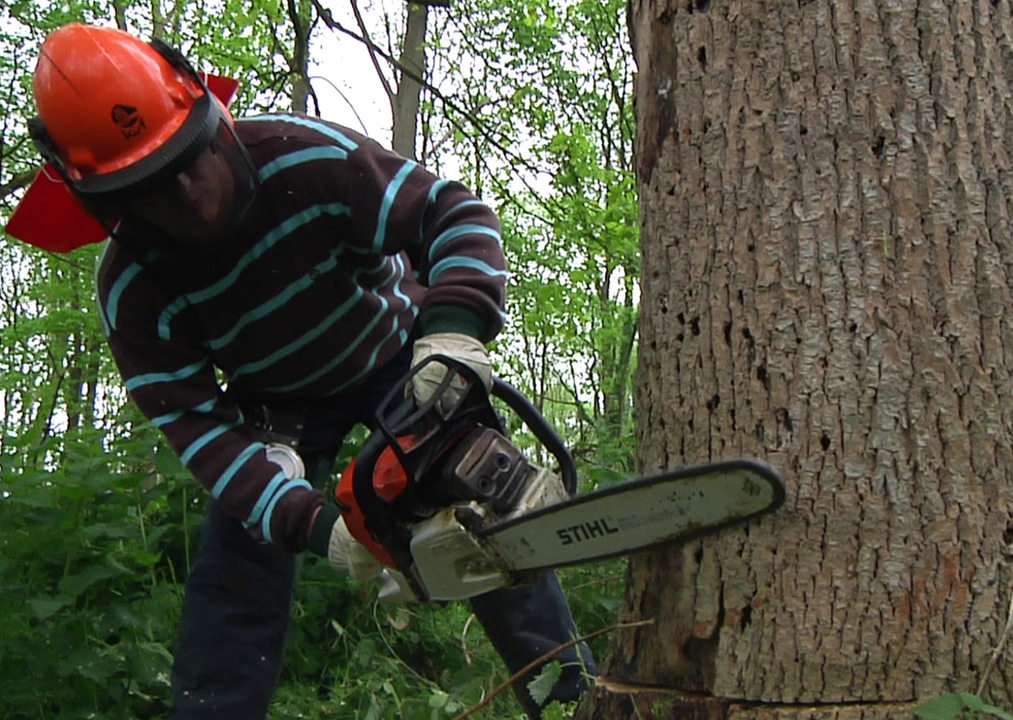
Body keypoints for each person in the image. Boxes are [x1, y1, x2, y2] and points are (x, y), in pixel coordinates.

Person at [24, 22, 594, 719]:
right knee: (239, 569)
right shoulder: (134, 292)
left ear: (211, 120)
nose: (189, 190)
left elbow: (454, 212)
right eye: (152, 185)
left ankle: (571, 696)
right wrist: (316, 524)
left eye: (189, 158)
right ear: (105, 200)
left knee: (479, 498)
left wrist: (454, 334)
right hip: (274, 403)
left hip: (396, 350)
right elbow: (205, 438)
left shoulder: (303, 157)